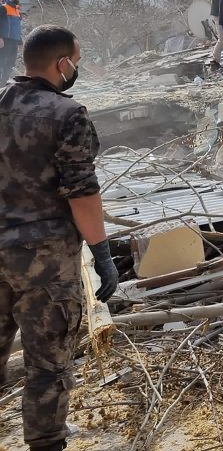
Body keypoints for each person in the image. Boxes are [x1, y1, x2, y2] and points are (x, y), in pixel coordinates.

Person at [0, 25, 118, 451]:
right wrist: (102, 252)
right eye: (77, 61)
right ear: (62, 63)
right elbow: (82, 192)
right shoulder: (67, 114)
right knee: (48, 366)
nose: (77, 69)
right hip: (44, 262)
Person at [0, 0, 23, 85]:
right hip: (5, 39)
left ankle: (3, 83)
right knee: (2, 61)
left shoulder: (17, 10)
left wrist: (19, 41)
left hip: (14, 41)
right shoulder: (3, 8)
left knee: (10, 62)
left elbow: (16, 27)